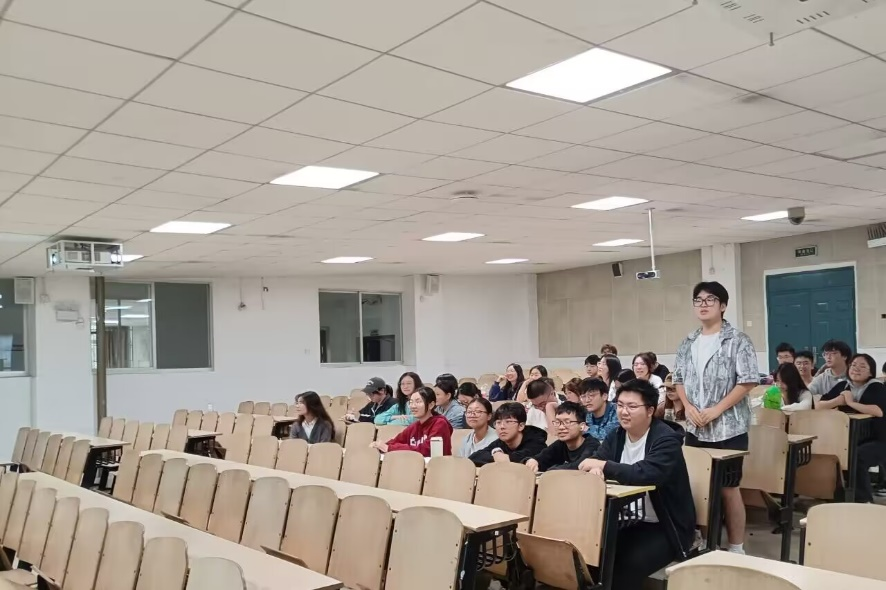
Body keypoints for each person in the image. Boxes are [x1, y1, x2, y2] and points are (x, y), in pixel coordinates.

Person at [578, 379, 696, 590]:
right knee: (589, 555)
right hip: (624, 519)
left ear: (650, 410)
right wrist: (595, 469)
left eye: (632, 406)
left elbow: (646, 473)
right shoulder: (617, 435)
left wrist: (604, 466)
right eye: (620, 405)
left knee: (627, 564)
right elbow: (597, 459)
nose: (624, 412)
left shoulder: (667, 440)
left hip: (663, 525)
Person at [673, 281, 758, 555]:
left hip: (728, 428)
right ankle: (706, 543)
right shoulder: (688, 342)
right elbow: (678, 379)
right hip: (695, 427)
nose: (703, 304)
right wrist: (687, 406)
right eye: (698, 300)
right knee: (698, 486)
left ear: (722, 306)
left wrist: (717, 409)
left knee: (728, 488)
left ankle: (736, 547)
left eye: (710, 299)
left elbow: (747, 380)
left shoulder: (738, 340)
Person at [817, 353, 886, 503]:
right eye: (854, 365)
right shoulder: (843, 385)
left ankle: (864, 501)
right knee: (834, 454)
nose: (856, 369)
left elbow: (878, 411)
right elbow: (819, 405)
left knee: (856, 456)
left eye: (862, 366)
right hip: (850, 437)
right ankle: (838, 497)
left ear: (870, 372)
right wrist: (837, 400)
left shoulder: (876, 386)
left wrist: (851, 403)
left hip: (879, 440)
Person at [371, 387, 453, 457]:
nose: (413, 406)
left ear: (431, 405)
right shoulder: (414, 426)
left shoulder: (440, 423)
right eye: (411, 402)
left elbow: (427, 450)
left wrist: (390, 448)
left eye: (418, 402)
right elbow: (395, 441)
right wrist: (379, 446)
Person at [524, 402, 599, 473]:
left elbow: (579, 466)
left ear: (582, 426)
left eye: (567, 422)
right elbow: (542, 458)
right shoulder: (560, 444)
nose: (561, 427)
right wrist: (533, 461)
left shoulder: (593, 445)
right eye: (557, 422)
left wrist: (552, 469)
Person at [468, 402, 547, 466]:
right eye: (498, 422)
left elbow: (520, 459)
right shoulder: (500, 442)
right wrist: (495, 453)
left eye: (508, 422)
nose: (502, 427)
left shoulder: (536, 443)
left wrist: (505, 458)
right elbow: (474, 457)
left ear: (521, 426)